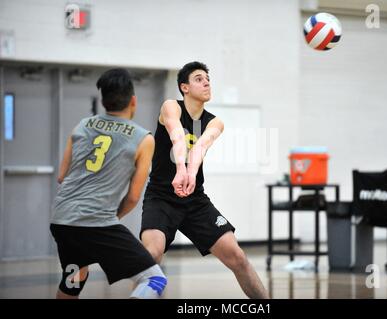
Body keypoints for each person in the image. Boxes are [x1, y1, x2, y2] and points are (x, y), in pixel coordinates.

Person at [140, 61, 269, 299]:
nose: (206, 82)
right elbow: (177, 135)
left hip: (195, 199)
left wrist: (189, 172)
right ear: (184, 87)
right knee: (152, 253)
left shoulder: (214, 121)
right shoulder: (171, 106)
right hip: (161, 197)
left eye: (208, 78)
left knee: (238, 257)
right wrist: (181, 167)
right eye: (199, 78)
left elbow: (201, 145)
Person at [50, 68, 166, 299]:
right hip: (96, 222)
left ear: (103, 101)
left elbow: (62, 176)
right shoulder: (143, 138)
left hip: (62, 221)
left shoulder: (82, 125)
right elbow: (133, 197)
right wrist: (109, 220)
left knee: (74, 279)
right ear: (133, 101)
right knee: (154, 279)